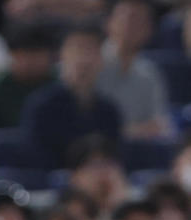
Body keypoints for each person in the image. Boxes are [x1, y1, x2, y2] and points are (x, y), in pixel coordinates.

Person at [19, 23, 122, 170]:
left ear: (101, 59)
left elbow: (115, 160)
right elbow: (35, 160)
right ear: (61, 56)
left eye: (91, 50)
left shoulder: (110, 111)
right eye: (77, 49)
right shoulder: (41, 106)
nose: (84, 59)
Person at [95, 0, 171, 140]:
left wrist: (123, 131)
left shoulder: (150, 73)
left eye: (142, 21)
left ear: (149, 30)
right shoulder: (92, 66)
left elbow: (159, 125)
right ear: (108, 23)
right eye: (129, 18)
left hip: (136, 152)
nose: (134, 27)